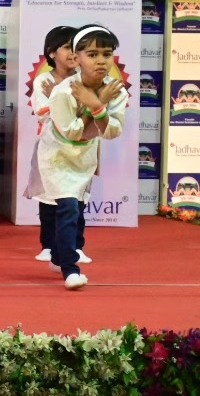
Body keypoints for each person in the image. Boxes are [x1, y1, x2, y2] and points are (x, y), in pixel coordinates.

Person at [28, 25, 127, 290]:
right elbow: (71, 132)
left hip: (84, 158)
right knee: (68, 207)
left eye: (107, 54)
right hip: (56, 156)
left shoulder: (116, 90)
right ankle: (71, 270)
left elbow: (112, 132)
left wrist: (96, 103)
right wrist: (98, 105)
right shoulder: (63, 91)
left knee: (76, 208)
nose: (101, 61)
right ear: (78, 56)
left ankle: (59, 257)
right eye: (92, 54)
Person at [28, 26, 91, 265]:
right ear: (52, 52)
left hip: (81, 148)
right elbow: (43, 112)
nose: (73, 52)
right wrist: (73, 103)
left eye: (77, 47)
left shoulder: (85, 80)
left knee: (77, 198)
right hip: (52, 147)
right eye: (67, 47)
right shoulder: (43, 80)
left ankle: (77, 246)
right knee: (50, 199)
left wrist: (57, 95)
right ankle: (48, 245)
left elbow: (92, 110)